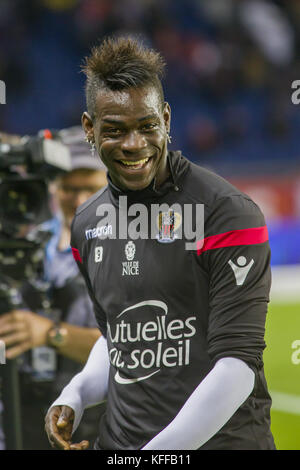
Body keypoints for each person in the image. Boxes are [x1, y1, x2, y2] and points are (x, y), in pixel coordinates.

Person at [45, 37, 276, 450]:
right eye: (114, 130)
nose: (134, 144)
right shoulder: (87, 225)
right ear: (89, 130)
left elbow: (237, 368)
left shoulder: (226, 214)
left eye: (147, 126)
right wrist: (75, 396)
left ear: (166, 119)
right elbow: (119, 338)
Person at [0, 126, 107, 449]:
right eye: (69, 189)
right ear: (52, 188)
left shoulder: (129, 250)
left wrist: (49, 332)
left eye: (90, 188)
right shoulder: (23, 242)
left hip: (92, 423)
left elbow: (130, 350)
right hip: (22, 416)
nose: (79, 200)